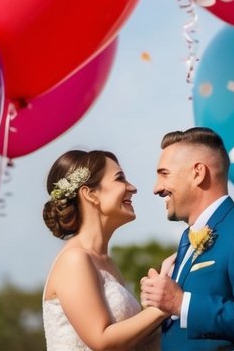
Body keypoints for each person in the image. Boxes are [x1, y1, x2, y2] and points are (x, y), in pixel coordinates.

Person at [140, 127, 234, 351]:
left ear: (198, 173)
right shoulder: (186, 239)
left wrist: (181, 303)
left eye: (164, 174)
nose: (156, 188)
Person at [42, 148, 172, 351]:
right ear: (91, 194)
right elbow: (102, 341)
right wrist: (164, 306)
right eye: (120, 179)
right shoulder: (74, 259)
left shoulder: (106, 262)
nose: (132, 188)